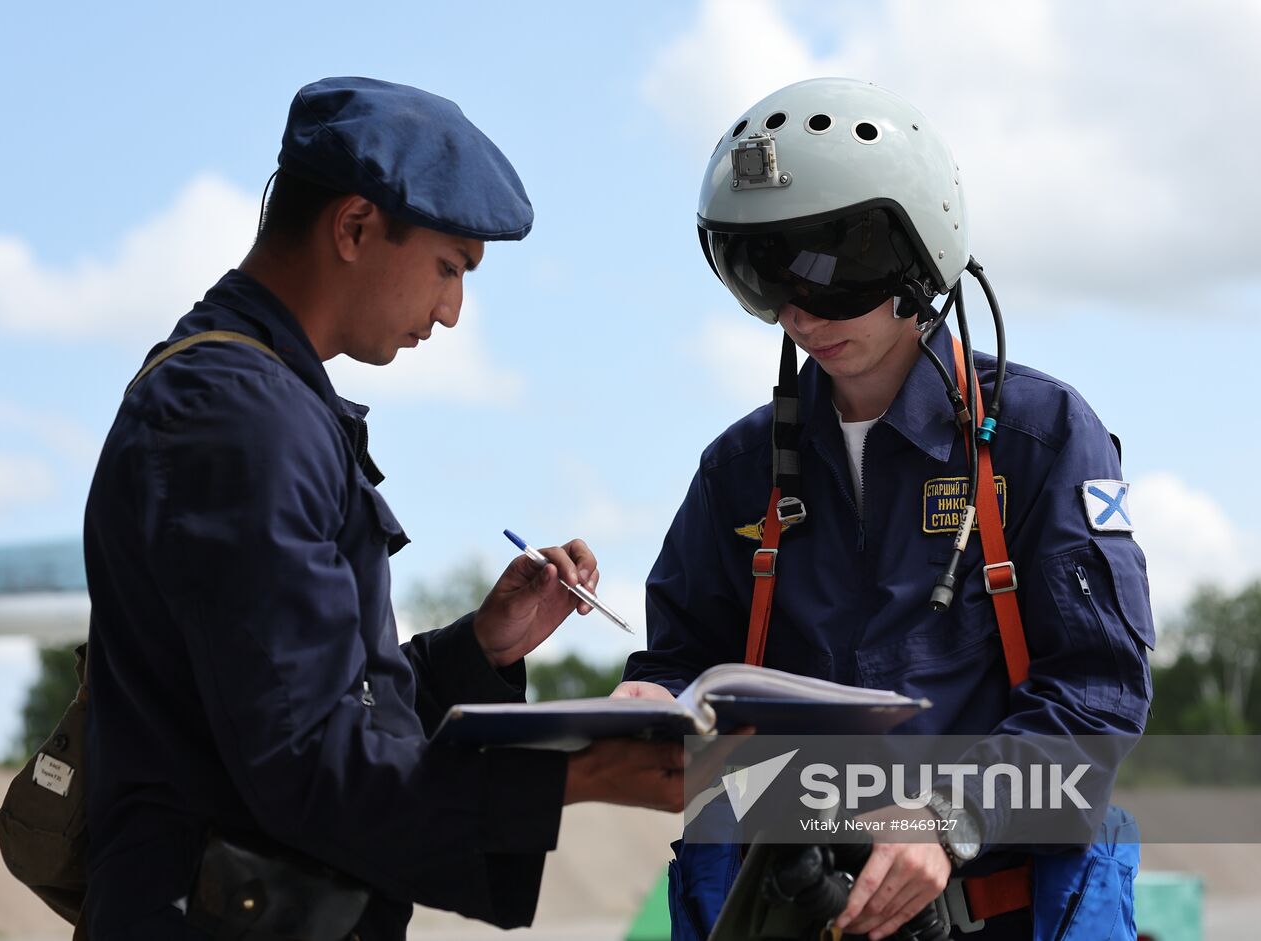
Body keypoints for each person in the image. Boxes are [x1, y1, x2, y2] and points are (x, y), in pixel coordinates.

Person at [82, 77, 684, 941]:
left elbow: (301, 702)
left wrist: (480, 649)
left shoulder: (263, 396)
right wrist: (579, 774)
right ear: (356, 226)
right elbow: (305, 763)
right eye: (449, 268)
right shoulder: (237, 416)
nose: (450, 312)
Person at [618, 78, 1154, 939]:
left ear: (916, 259)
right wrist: (651, 701)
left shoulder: (1039, 440)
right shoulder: (737, 471)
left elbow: (1096, 698)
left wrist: (951, 814)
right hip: (789, 904)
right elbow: (689, 663)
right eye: (766, 275)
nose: (798, 313)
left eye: (829, 270)